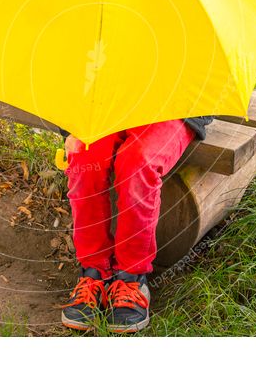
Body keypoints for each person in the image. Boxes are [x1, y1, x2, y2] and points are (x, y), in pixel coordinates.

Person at [57, 115, 213, 333]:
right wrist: (71, 127)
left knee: (138, 162)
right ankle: (94, 272)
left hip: (174, 108)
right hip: (109, 104)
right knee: (84, 156)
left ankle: (132, 278)